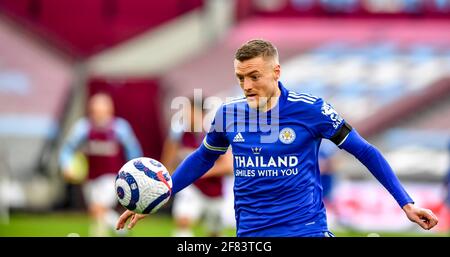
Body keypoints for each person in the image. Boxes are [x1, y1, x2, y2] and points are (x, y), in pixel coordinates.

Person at [116, 39, 438, 237]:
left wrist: (406, 204)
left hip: (304, 230)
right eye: (240, 78)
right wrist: (161, 192)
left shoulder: (311, 111)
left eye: (255, 76)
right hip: (252, 233)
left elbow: (365, 152)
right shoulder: (228, 115)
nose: (247, 85)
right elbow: (204, 156)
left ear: (277, 72)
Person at [60, 92, 143, 236]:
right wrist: (66, 165)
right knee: (96, 212)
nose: (99, 114)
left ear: (110, 110)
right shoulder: (83, 128)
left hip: (112, 177)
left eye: (102, 110)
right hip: (90, 177)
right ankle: (120, 229)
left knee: (98, 208)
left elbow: (133, 150)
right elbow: (67, 149)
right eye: (96, 110)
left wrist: (135, 172)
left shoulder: (120, 128)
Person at [160, 97, 233, 237]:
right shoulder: (179, 134)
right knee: (183, 221)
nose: (189, 115)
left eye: (192, 111)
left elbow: (228, 166)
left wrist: (199, 171)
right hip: (191, 188)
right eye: (187, 111)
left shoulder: (213, 133)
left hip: (213, 191)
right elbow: (168, 162)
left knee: (214, 233)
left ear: (202, 113)